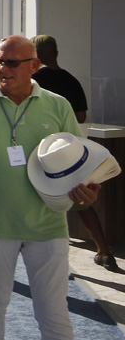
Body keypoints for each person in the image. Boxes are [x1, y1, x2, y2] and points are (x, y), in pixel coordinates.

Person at [0, 35, 101, 340]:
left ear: (34, 65)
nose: (3, 68)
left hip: (47, 225)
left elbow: (77, 162)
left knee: (53, 312)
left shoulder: (58, 105)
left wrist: (86, 189)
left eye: (12, 62)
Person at [31, 34, 117, 271]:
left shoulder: (33, 80)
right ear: (56, 53)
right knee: (80, 199)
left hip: (41, 151)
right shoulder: (70, 79)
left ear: (35, 57)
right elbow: (81, 116)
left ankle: (53, 261)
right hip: (71, 150)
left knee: (45, 202)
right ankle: (103, 250)